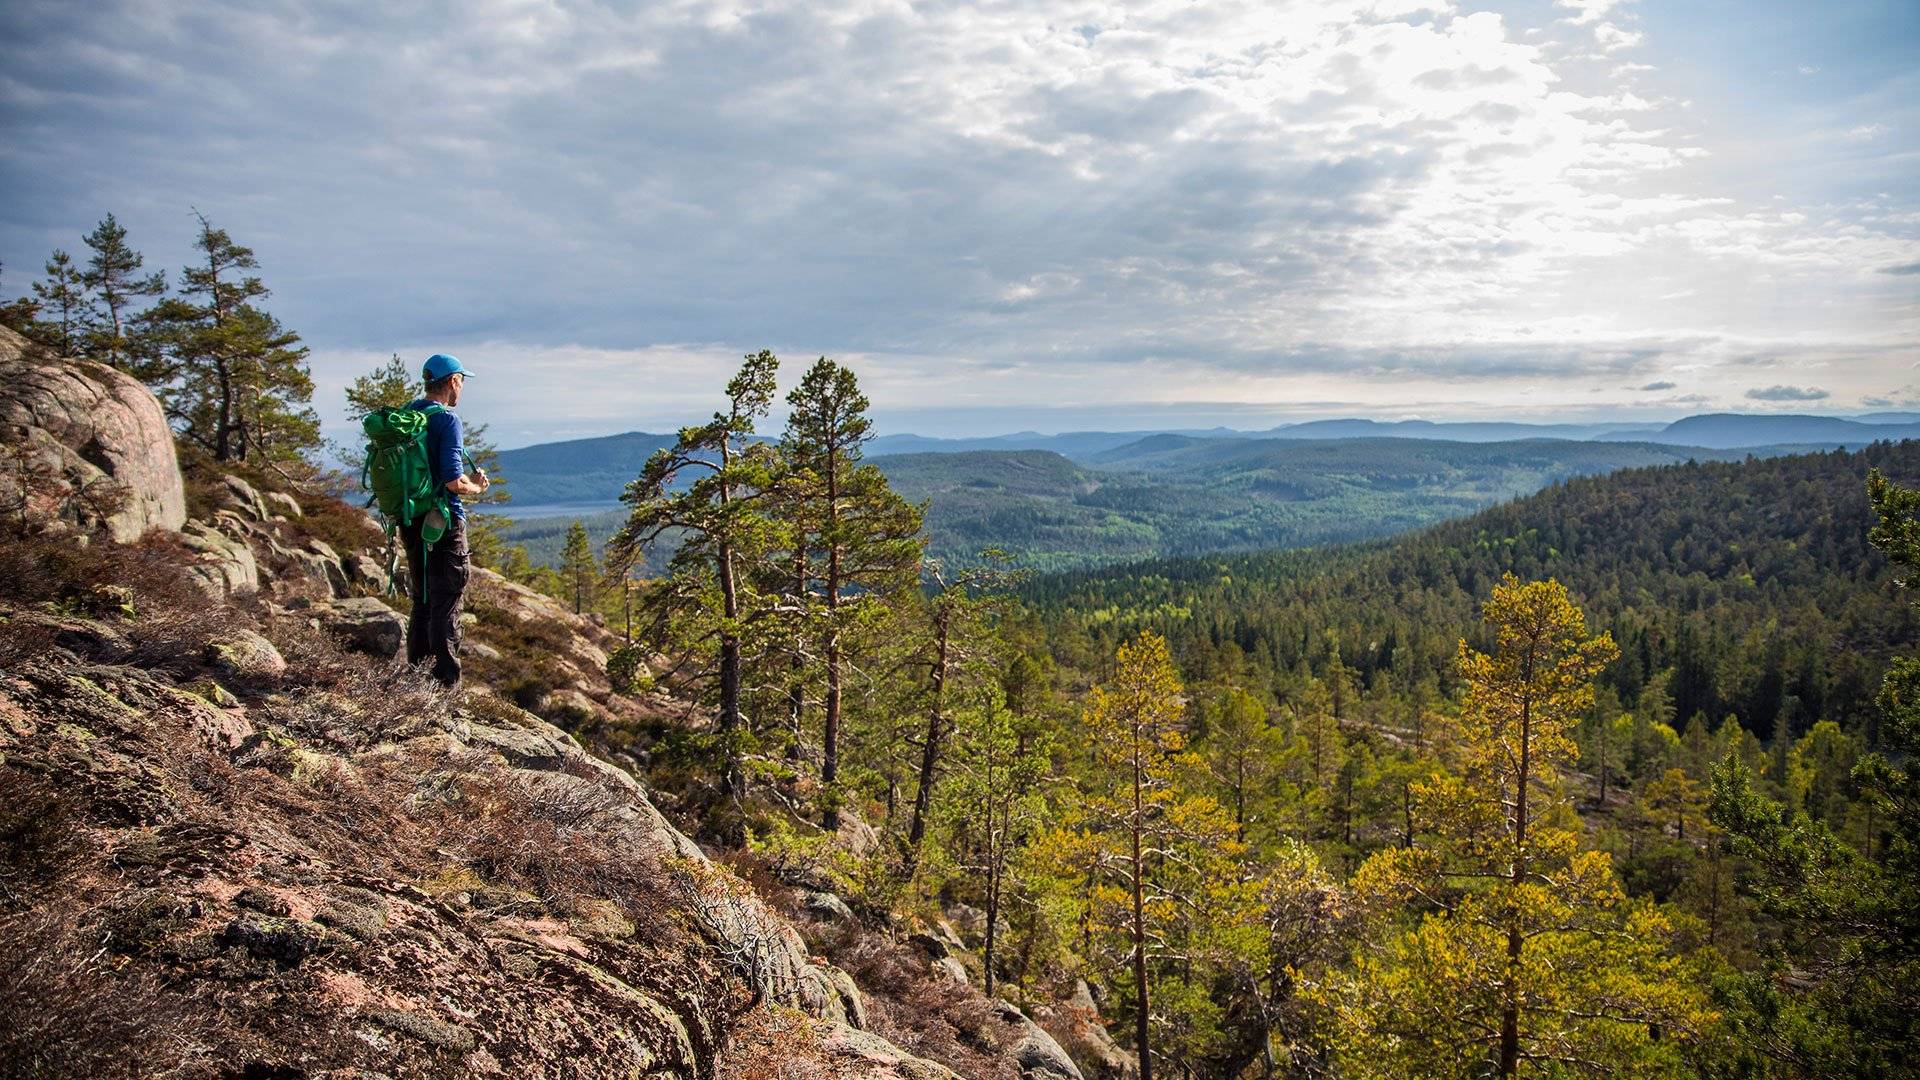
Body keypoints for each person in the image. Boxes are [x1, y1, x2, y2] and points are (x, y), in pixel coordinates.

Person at [401, 353, 489, 686]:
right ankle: (444, 686)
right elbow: (454, 481)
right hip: (443, 522)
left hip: (412, 519)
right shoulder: (446, 420)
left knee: (423, 598)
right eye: (461, 381)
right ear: (452, 381)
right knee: (447, 599)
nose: (462, 387)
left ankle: (416, 680)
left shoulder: (410, 413)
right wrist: (477, 488)